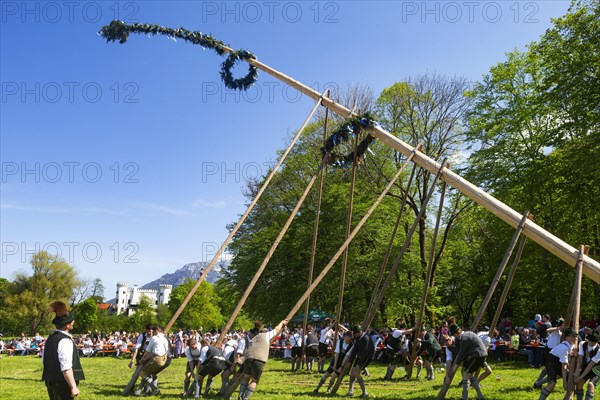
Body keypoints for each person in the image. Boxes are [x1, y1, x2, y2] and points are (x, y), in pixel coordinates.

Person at [42, 301, 85, 400]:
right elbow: (66, 368)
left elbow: (44, 359)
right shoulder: (64, 340)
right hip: (63, 384)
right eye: (71, 321)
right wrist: (73, 387)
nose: (73, 322)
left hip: (51, 381)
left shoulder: (50, 338)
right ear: (67, 325)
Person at [237, 319, 288, 400]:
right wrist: (281, 323)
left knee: (246, 377)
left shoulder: (252, 339)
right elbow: (276, 329)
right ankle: (246, 399)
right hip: (259, 360)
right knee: (254, 381)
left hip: (248, 359)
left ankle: (240, 396)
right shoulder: (266, 335)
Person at [445, 324, 488, 400]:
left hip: (477, 355)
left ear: (456, 333)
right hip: (481, 354)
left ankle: (464, 398)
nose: (455, 337)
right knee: (470, 376)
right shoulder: (468, 334)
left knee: (465, 375)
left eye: (454, 335)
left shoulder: (464, 338)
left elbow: (461, 355)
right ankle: (480, 396)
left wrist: (453, 370)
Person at [538, 327, 578, 400]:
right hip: (551, 362)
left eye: (576, 336)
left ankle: (538, 383)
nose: (575, 338)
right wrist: (564, 384)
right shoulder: (564, 348)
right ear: (566, 337)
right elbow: (564, 367)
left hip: (558, 362)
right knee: (552, 383)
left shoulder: (571, 345)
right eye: (572, 336)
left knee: (571, 378)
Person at [135, 325, 170, 396]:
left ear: (156, 330)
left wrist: (142, 359)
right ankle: (139, 392)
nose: (152, 333)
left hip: (157, 359)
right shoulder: (164, 338)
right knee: (150, 374)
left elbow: (148, 350)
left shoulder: (154, 338)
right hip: (164, 360)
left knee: (142, 373)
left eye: (153, 331)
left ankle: (155, 389)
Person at [346, 325, 374, 398]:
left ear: (360, 332)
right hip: (360, 356)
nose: (355, 335)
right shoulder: (358, 337)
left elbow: (365, 352)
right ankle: (350, 391)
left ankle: (365, 392)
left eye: (355, 334)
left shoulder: (365, 338)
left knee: (356, 372)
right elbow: (355, 350)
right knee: (352, 372)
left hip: (367, 357)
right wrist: (350, 361)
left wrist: (358, 364)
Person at [574, 330, 600, 400]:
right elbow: (580, 358)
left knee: (590, 384)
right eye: (590, 340)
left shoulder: (599, 350)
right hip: (586, 366)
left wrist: (580, 377)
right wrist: (577, 370)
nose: (591, 342)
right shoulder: (582, 344)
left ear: (597, 341)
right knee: (579, 383)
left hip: (596, 369)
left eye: (593, 341)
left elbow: (591, 364)